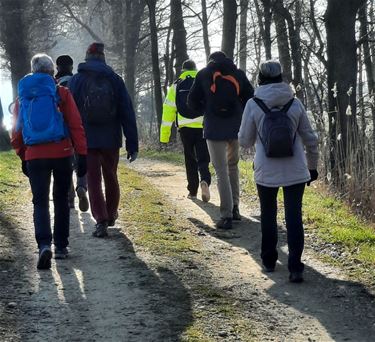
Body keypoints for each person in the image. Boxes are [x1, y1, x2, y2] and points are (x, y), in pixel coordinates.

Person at [238, 60, 319, 283]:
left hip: (266, 171)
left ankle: (269, 261)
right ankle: (295, 267)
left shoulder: (253, 104)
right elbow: (311, 139)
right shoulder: (295, 103)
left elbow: (245, 141)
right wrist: (312, 167)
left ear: (260, 79)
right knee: (294, 216)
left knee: (268, 214)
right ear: (281, 77)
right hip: (296, 170)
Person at [11, 53, 87, 269]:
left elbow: (16, 132)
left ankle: (44, 244)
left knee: (40, 201)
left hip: (35, 155)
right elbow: (75, 125)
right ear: (52, 71)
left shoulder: (23, 96)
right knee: (61, 199)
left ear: (33, 71)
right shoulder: (61, 93)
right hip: (61, 152)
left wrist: (22, 154)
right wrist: (81, 153)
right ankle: (61, 247)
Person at [69, 42, 138, 238]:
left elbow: (69, 112)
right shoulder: (115, 80)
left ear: (86, 57)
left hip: (86, 138)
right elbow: (127, 112)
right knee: (111, 176)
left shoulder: (77, 80)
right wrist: (132, 143)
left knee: (92, 179)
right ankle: (111, 213)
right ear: (103, 57)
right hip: (111, 138)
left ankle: (100, 220)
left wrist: (70, 139)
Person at [188, 51, 254, 229]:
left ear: (210, 60)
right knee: (233, 166)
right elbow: (250, 97)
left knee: (221, 170)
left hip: (214, 128)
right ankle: (235, 208)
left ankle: (226, 216)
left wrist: (207, 108)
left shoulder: (203, 74)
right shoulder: (238, 73)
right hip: (236, 126)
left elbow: (191, 102)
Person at [160, 59, 211, 201]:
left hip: (185, 127)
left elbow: (168, 111)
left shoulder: (176, 85)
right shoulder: (203, 82)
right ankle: (205, 181)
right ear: (195, 69)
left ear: (183, 70)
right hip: (203, 126)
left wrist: (164, 136)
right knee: (203, 158)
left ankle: (193, 191)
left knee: (190, 159)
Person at [55, 55, 89, 212]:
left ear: (57, 67)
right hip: (80, 127)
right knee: (81, 160)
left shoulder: (54, 85)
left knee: (66, 164)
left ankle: (70, 199)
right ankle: (81, 186)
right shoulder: (78, 82)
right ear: (71, 66)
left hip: (62, 132)